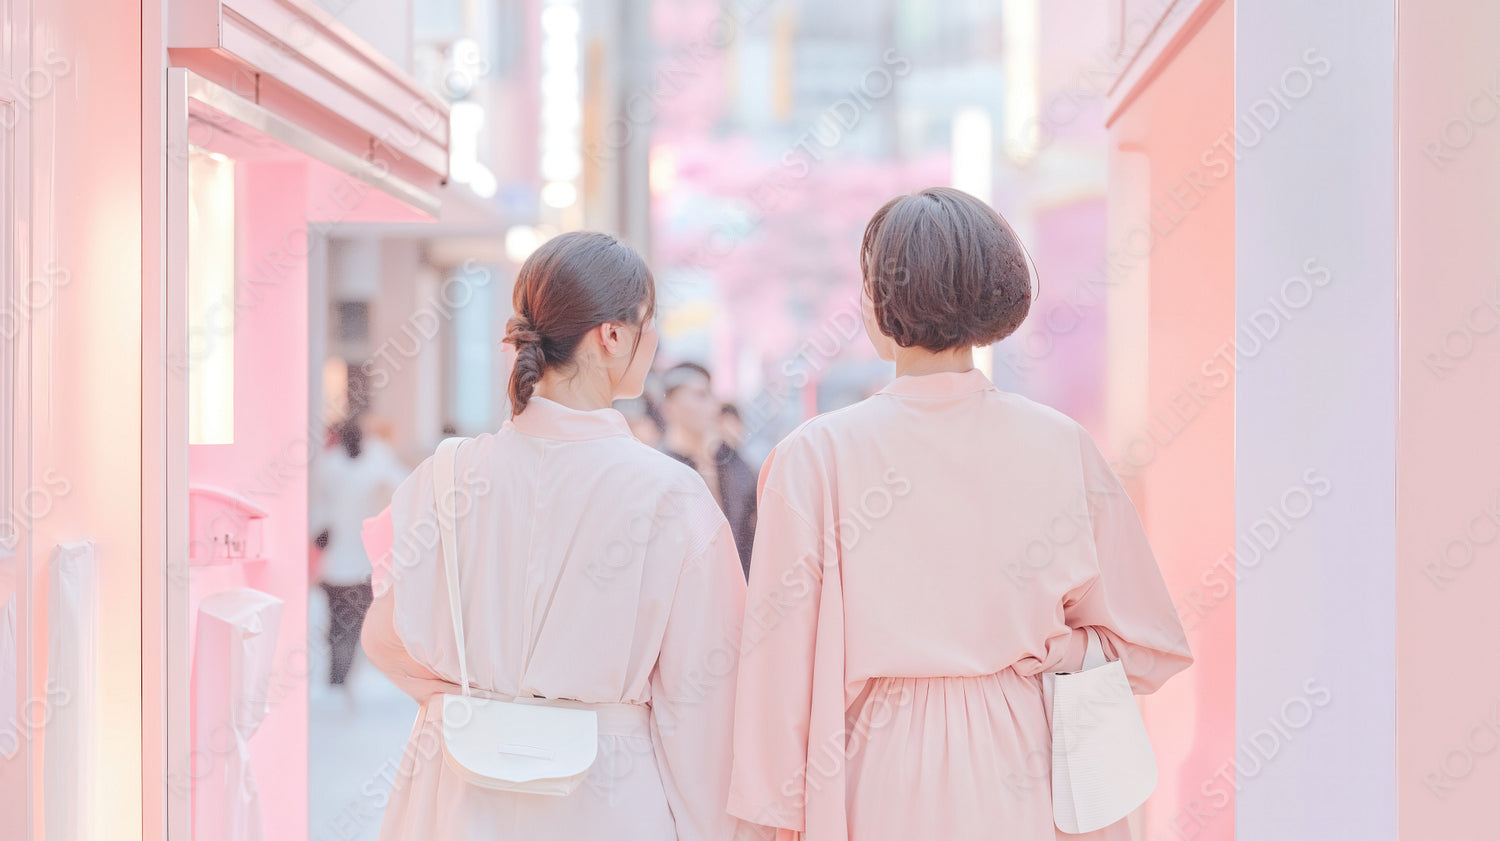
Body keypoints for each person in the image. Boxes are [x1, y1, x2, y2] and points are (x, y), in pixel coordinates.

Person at [727, 188, 1193, 841]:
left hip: (876, 773)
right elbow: (1149, 646)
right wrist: (1064, 645)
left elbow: (777, 679)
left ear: (877, 299)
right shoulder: (1062, 446)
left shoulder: (815, 456)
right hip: (1031, 767)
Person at [357, 231, 750, 841]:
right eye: (650, 324)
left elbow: (383, 638)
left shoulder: (444, 477)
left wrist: (476, 695)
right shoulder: (672, 496)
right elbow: (704, 707)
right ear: (611, 335)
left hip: (456, 794)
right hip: (609, 798)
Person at [309, 415, 409, 702]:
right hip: (366, 561)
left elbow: (320, 516)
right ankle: (344, 677)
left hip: (337, 565)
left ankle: (337, 679)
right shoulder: (378, 457)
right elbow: (403, 486)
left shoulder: (331, 464)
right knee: (357, 624)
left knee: (337, 624)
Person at [658, 363, 757, 578]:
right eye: (700, 395)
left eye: (712, 394)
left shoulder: (730, 460)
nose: (713, 405)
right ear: (670, 407)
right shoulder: (659, 470)